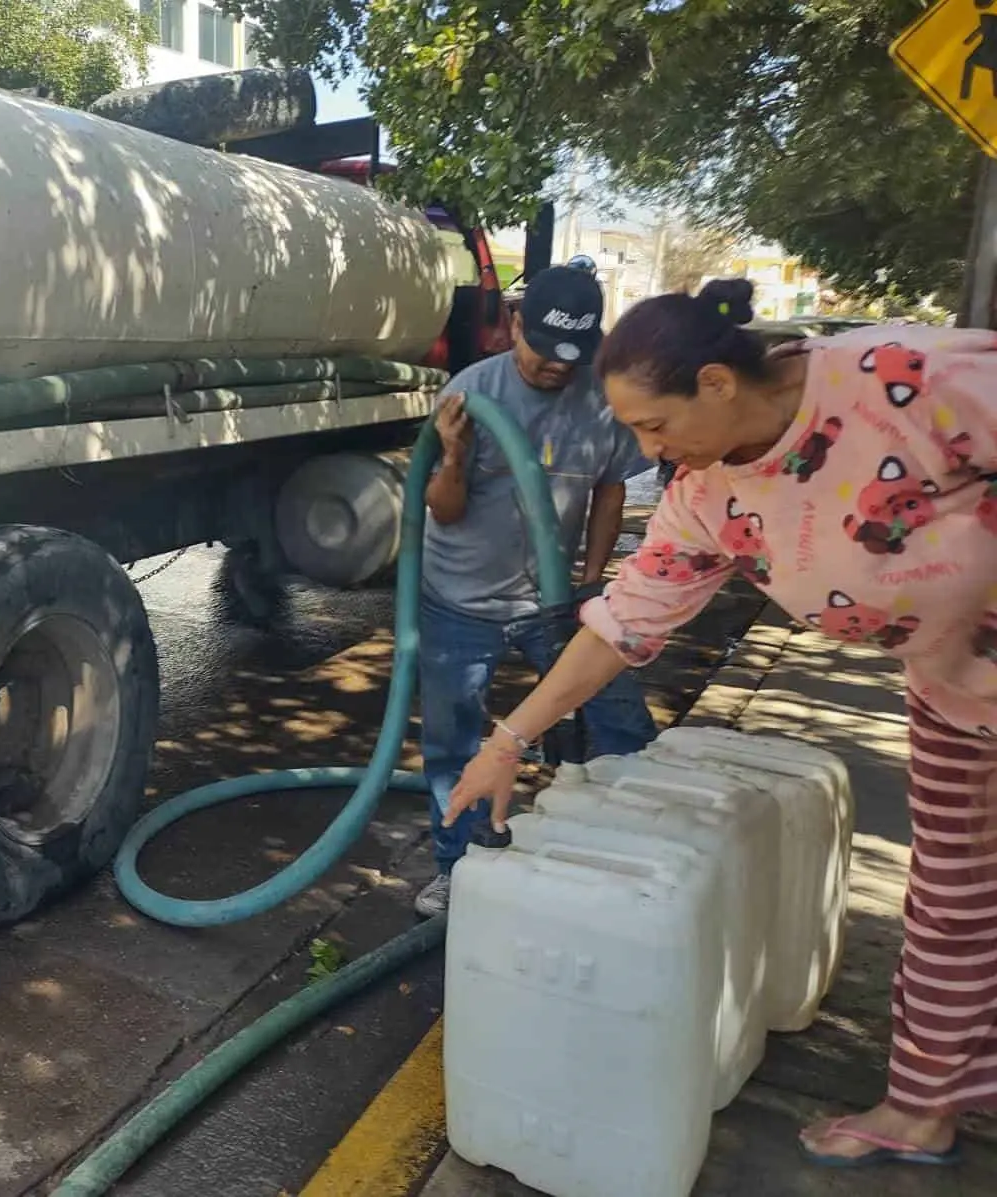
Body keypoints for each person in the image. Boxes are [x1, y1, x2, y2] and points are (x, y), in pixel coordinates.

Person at [444, 278, 997, 1168]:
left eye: (653, 426)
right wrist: (508, 740)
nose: (644, 447)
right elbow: (624, 623)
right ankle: (922, 1106)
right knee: (952, 904)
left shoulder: (901, 377)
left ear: (716, 383)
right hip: (955, 693)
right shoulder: (708, 496)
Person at [413, 264, 659, 918]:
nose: (555, 368)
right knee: (453, 744)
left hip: (553, 605)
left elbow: (610, 490)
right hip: (458, 602)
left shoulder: (602, 400)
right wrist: (456, 456)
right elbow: (443, 507)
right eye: (543, 349)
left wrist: (591, 584)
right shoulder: (472, 390)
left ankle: (630, 857)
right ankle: (457, 869)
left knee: (620, 721)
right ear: (516, 322)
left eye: (570, 357)